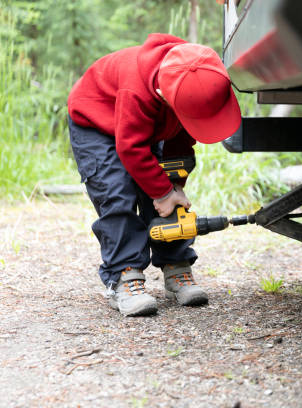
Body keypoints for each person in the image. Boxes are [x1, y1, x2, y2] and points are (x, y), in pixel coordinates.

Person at [67, 33, 241, 317]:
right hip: (96, 123)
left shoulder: (192, 75)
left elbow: (181, 143)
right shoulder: (137, 90)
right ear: (164, 96)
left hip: (144, 123)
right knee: (116, 194)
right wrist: (162, 192)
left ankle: (176, 265)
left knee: (164, 187)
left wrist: (174, 187)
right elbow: (130, 148)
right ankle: (125, 276)